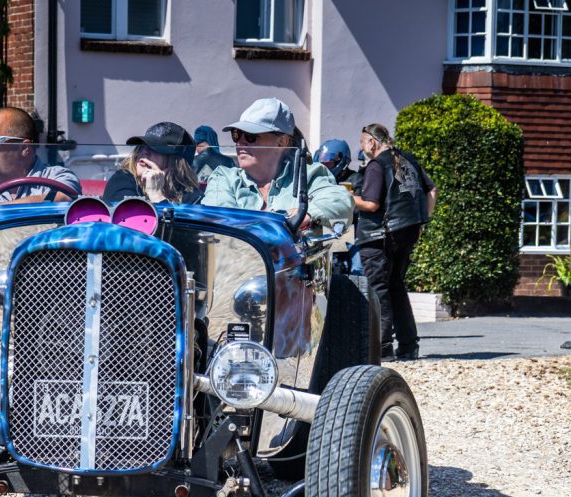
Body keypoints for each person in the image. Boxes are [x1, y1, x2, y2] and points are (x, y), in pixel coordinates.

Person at [353, 123, 438, 361]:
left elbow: (371, 204)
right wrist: (422, 221)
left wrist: (347, 197)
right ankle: (408, 346)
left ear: (371, 142)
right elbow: (432, 190)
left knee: (378, 289)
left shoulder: (376, 165)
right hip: (406, 231)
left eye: (362, 142)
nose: (361, 147)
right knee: (396, 286)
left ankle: (382, 348)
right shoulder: (408, 159)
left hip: (380, 234)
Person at [201, 98, 352, 230]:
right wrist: (282, 221)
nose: (240, 142)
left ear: (282, 142)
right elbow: (220, 220)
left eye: (250, 135)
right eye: (236, 134)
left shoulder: (307, 175)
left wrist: (306, 213)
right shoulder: (224, 177)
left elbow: (341, 202)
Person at [103, 122, 202, 204]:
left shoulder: (190, 195)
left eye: (154, 148)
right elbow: (131, 219)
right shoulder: (122, 179)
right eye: (142, 146)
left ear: (175, 162)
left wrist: (157, 195)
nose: (144, 152)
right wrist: (155, 194)